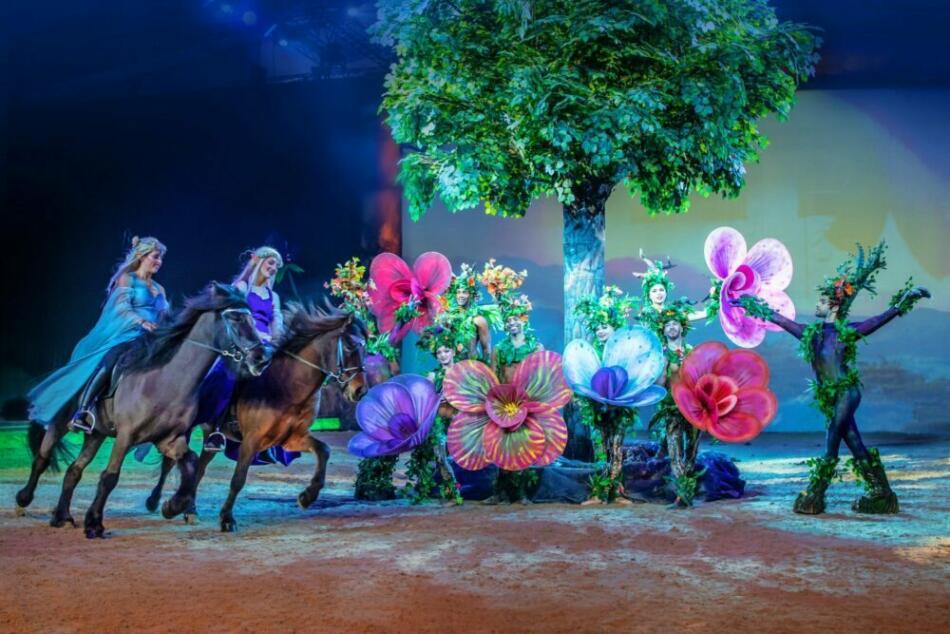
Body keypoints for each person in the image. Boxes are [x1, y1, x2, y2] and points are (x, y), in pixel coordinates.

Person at [735, 241, 930, 514]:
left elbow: (877, 320)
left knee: (831, 441)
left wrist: (903, 302)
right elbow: (779, 320)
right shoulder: (811, 334)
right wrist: (749, 304)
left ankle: (815, 495)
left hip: (847, 392)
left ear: (834, 306)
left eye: (822, 301)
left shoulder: (846, 332)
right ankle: (882, 493)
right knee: (853, 440)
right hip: (831, 397)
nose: (817, 304)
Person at [29, 236, 169, 433]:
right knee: (111, 359)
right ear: (141, 256)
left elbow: (163, 317)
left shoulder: (159, 288)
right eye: (155, 256)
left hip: (151, 339)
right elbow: (120, 308)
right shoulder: (127, 279)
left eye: (161, 258)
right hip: (127, 334)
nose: (159, 261)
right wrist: (141, 322)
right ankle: (83, 411)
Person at [201, 246, 287, 456]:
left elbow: (277, 323)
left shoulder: (273, 296)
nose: (273, 268)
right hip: (241, 342)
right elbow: (231, 316)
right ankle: (217, 428)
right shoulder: (241, 287)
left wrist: (276, 341)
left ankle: (271, 434)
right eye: (271, 262)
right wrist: (254, 336)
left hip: (265, 345)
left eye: (276, 266)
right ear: (258, 261)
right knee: (227, 378)